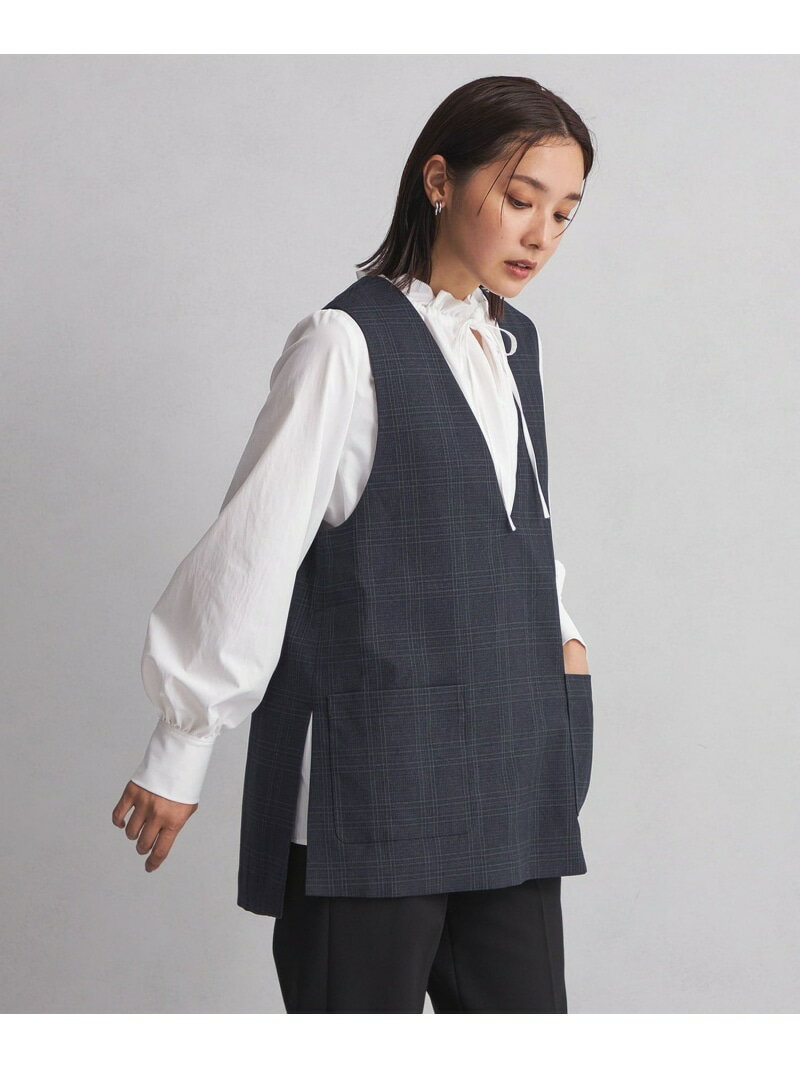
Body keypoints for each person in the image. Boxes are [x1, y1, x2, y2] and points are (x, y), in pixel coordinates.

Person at [112, 74, 596, 1013]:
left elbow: (507, 525)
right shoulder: (344, 342)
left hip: (512, 768)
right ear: (440, 181)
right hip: (373, 786)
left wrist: (566, 639)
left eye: (565, 213)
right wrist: (181, 743)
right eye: (520, 198)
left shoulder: (515, 345)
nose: (541, 235)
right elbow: (253, 548)